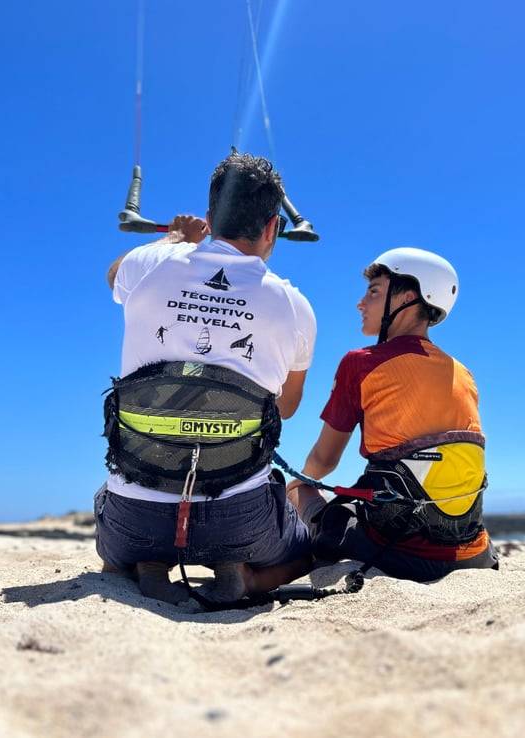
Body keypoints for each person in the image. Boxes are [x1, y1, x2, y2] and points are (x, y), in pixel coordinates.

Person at [95, 152, 316, 604]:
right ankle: (243, 575)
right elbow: (286, 409)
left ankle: (142, 560)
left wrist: (175, 239)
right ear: (274, 227)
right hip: (240, 518)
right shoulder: (295, 307)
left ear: (212, 218)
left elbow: (113, 274)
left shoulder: (150, 264)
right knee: (304, 550)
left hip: (134, 518)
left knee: (116, 525)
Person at [287, 247, 498, 582]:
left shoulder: (361, 363)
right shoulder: (465, 374)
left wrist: (297, 484)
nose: (361, 303)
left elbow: (324, 460)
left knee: (300, 490)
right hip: (472, 552)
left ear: (407, 298)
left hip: (393, 550)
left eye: (373, 292)